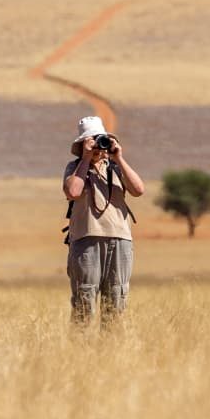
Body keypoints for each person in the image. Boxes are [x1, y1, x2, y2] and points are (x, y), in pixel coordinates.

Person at [62, 115, 145, 327]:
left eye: (101, 140)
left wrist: (119, 158)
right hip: (86, 238)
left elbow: (138, 190)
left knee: (116, 299)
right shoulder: (75, 168)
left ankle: (111, 350)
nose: (99, 146)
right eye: (92, 141)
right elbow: (73, 191)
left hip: (120, 239)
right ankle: (79, 349)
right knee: (84, 297)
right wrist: (86, 159)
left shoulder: (116, 168)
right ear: (82, 144)